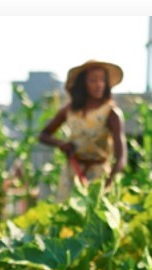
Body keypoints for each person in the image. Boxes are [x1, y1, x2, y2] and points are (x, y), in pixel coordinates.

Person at [38, 59, 127, 196]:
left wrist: (109, 181)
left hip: (98, 174)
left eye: (102, 80)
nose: (99, 85)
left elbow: (120, 156)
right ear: (83, 84)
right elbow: (44, 135)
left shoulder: (111, 113)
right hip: (71, 171)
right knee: (65, 212)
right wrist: (61, 144)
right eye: (93, 80)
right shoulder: (70, 110)